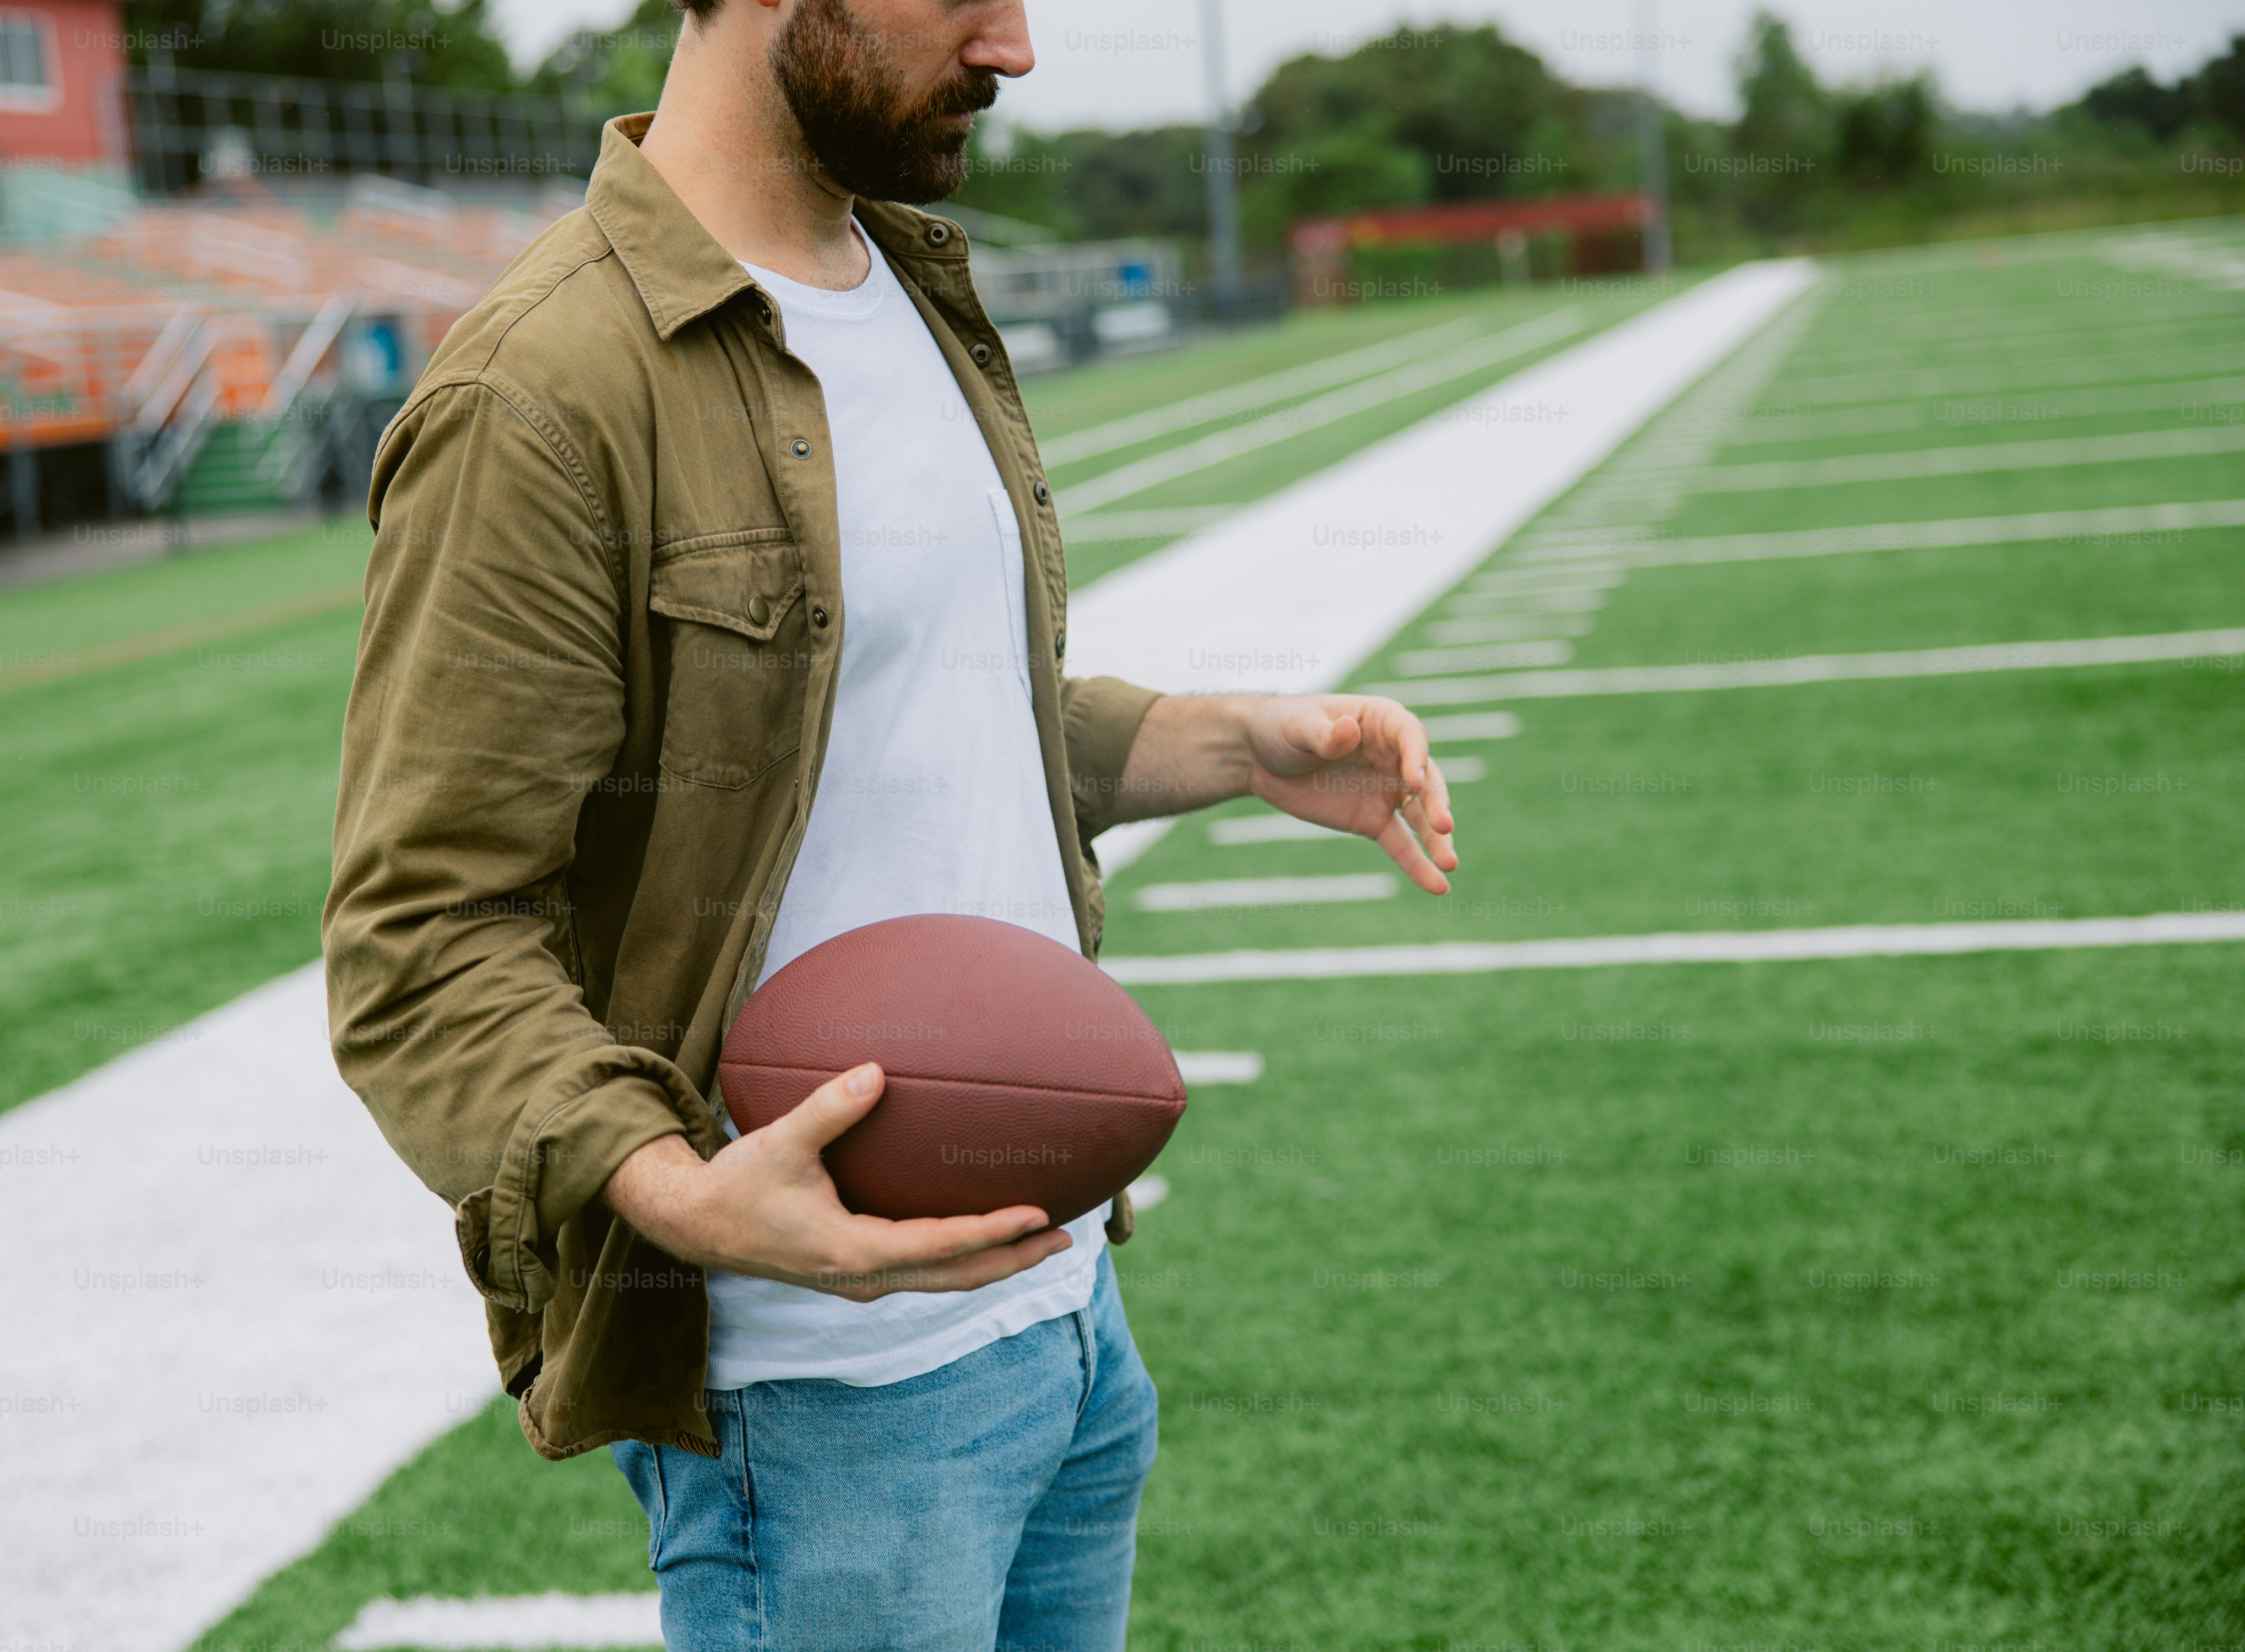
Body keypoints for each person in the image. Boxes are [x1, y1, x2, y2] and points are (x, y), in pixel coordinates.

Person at [322, 0, 1458, 1643]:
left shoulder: (911, 290)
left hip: (1067, 1317)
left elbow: (870, 732)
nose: (1014, 47)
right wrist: (669, 1187)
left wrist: (1213, 742)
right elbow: (419, 940)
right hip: (818, 1391)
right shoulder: (543, 391)